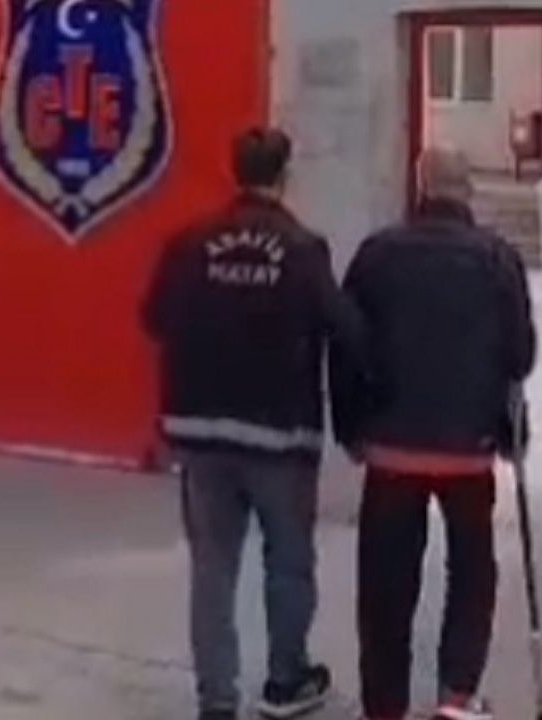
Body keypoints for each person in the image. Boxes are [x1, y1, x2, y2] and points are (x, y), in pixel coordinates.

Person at [144, 128, 363, 720]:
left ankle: (217, 700)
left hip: (200, 432)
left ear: (233, 171)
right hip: (279, 434)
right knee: (287, 561)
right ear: (285, 175)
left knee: (212, 570)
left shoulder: (188, 243)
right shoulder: (303, 248)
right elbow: (345, 328)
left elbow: (154, 318)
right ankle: (286, 682)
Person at [330, 148, 537, 720]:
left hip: (391, 447)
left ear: (420, 186)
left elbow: (346, 346)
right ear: (467, 191)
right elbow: (520, 355)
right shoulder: (497, 259)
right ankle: (456, 696)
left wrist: (350, 427)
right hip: (468, 451)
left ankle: (384, 706)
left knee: (385, 582)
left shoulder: (377, 254)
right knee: (472, 573)